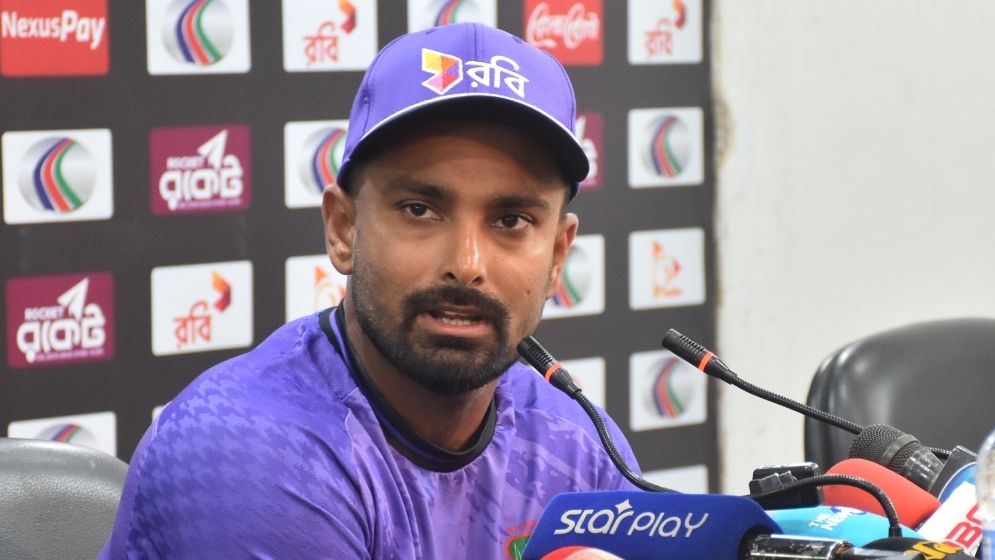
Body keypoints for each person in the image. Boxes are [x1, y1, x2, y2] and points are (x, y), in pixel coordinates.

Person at [101, 23, 639, 559]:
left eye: (511, 220)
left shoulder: (576, 445)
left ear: (557, 255)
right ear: (343, 229)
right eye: (420, 210)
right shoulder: (246, 450)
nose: (466, 265)